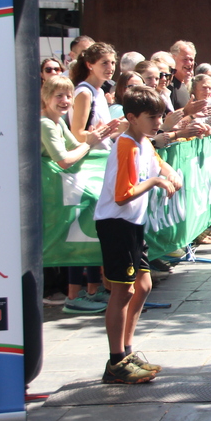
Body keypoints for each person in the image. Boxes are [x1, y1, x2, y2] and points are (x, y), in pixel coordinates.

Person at [95, 85, 182, 384]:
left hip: (133, 224)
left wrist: (170, 174)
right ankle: (116, 361)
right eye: (151, 117)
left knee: (142, 286)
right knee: (124, 291)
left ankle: (128, 351)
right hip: (116, 224)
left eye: (160, 116)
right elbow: (122, 195)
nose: (158, 122)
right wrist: (156, 181)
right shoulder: (126, 145)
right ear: (132, 118)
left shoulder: (144, 141)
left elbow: (159, 162)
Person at [40, 75, 116, 314]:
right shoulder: (45, 123)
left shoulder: (58, 122)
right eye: (58, 96)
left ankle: (89, 291)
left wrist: (97, 138)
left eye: (67, 96)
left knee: (83, 233)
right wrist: (90, 143)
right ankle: (73, 296)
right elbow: (64, 160)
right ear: (46, 97)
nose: (65, 101)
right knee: (70, 240)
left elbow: (77, 147)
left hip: (63, 192)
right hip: (50, 195)